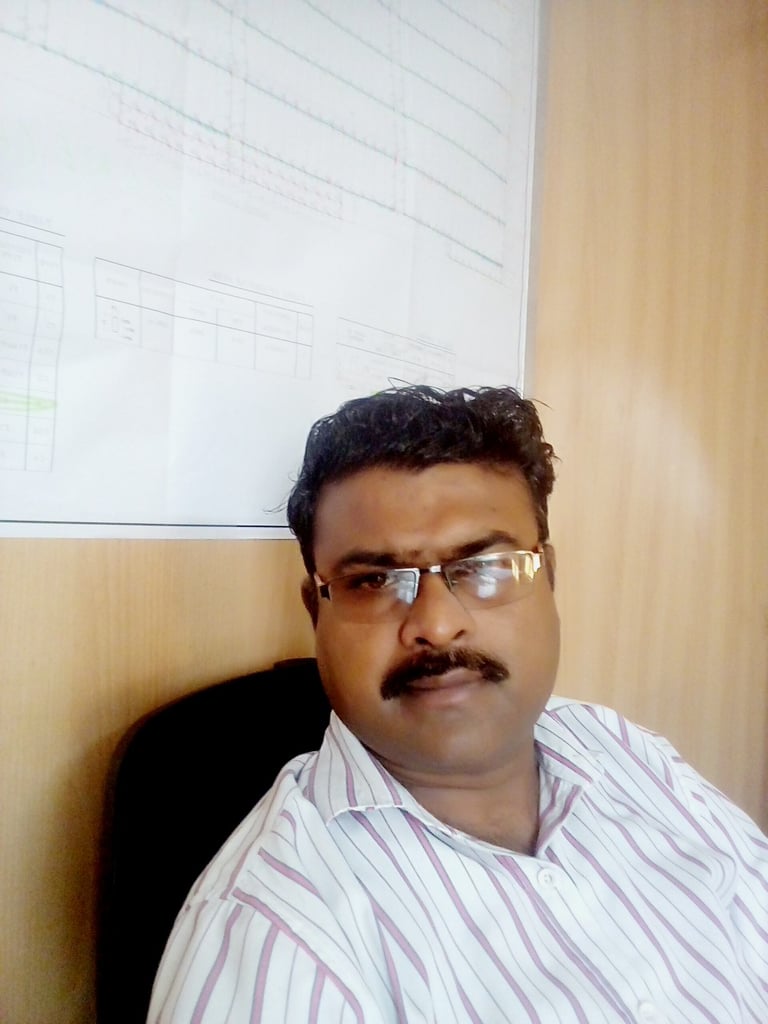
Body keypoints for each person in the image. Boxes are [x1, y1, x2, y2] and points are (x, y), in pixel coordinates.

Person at [148, 385, 768, 1023]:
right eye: (372, 581)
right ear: (316, 611)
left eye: (486, 566)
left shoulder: (628, 754)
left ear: (548, 580)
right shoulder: (278, 933)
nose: (437, 626)